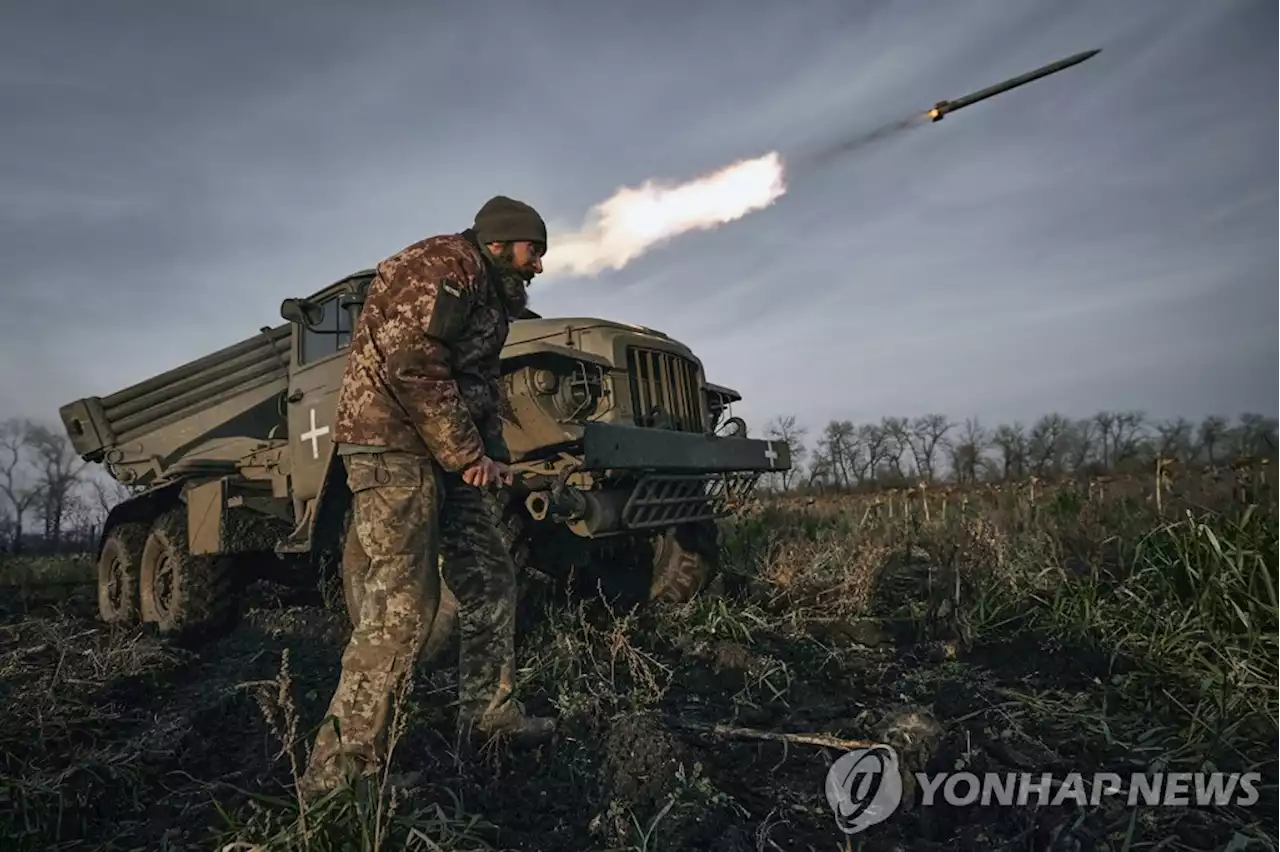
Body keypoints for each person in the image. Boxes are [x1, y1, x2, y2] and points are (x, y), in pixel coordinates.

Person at [300, 196, 556, 796]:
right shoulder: (442, 266)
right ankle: (339, 771)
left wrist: (491, 456)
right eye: (533, 250)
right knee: (403, 605)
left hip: (447, 455)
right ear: (499, 243)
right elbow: (414, 366)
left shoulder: (490, 292)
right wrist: (468, 454)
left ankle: (488, 714)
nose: (539, 264)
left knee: (492, 578)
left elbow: (480, 382)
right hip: (392, 448)